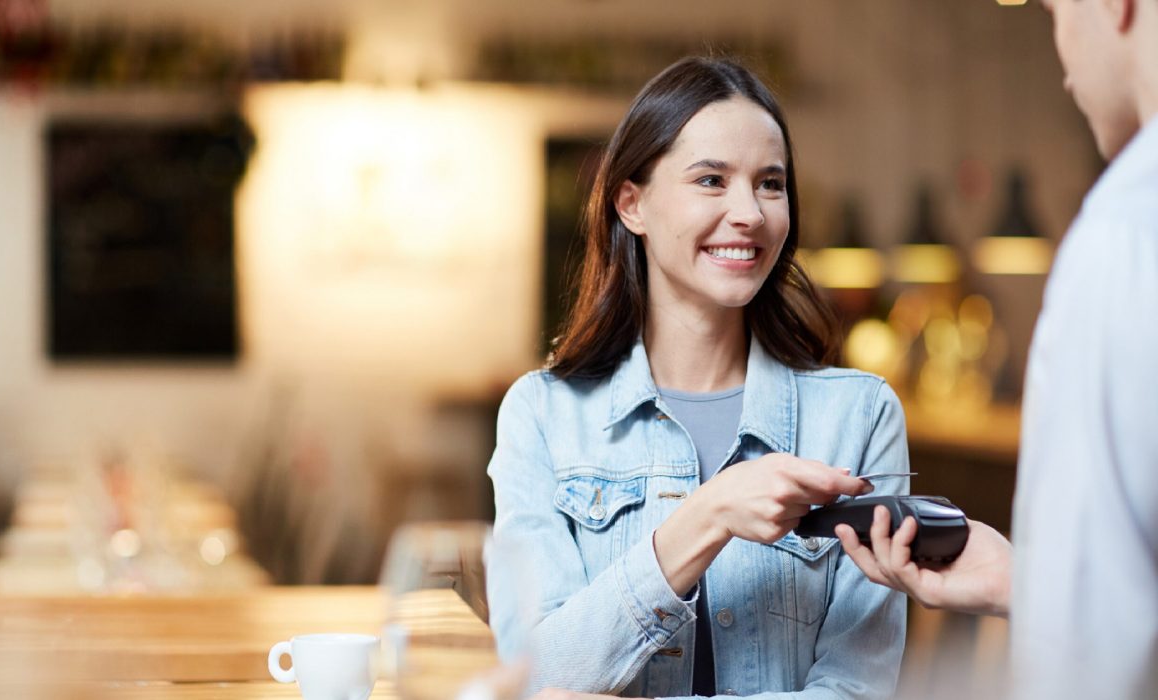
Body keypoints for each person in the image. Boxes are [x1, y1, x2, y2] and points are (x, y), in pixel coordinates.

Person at [486, 56, 910, 700]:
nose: (750, 212)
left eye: (770, 184)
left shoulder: (859, 416)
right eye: (712, 180)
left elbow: (857, 689)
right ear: (632, 203)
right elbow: (536, 675)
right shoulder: (542, 415)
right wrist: (707, 514)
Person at [836, 0, 1158, 697]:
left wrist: (1055, 604)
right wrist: (1028, 582)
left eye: (1053, 11)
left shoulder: (1123, 238)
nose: (1062, 57)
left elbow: (1088, 661)